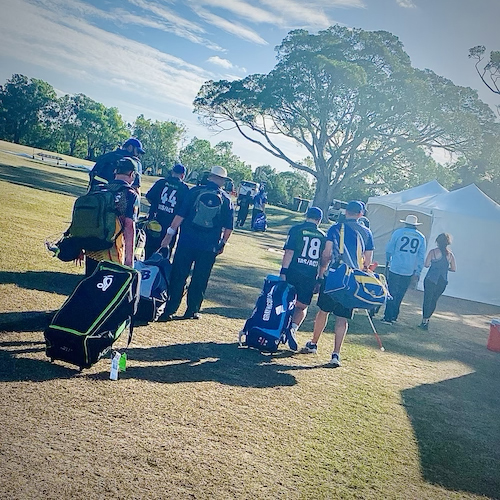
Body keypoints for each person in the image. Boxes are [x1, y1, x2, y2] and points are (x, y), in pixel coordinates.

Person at [302, 200, 374, 367]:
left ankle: (314, 343)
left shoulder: (335, 228)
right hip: (352, 279)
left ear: (346, 211)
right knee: (342, 318)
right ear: (360, 214)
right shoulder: (366, 233)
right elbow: (368, 261)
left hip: (333, 275)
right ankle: (336, 354)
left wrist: (322, 272)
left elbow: (326, 254)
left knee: (323, 311)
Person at [160, 165, 234, 320]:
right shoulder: (227, 199)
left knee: (179, 275)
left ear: (209, 177)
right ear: (222, 181)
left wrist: (169, 234)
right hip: (209, 245)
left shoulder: (194, 192)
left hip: (187, 241)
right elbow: (228, 227)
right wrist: (223, 243)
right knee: (201, 277)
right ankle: (192, 310)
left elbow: (180, 215)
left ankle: (170, 308)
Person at [280, 207, 326, 350]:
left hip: (293, 271)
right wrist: (319, 278)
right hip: (309, 275)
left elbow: (289, 251)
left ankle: (280, 329)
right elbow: (322, 260)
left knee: (286, 302)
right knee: (301, 306)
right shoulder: (322, 236)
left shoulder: (296, 230)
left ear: (306, 215)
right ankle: (293, 328)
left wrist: (283, 271)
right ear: (319, 220)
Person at [85, 157, 140, 277]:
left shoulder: (98, 189)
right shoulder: (130, 195)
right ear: (132, 174)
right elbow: (129, 226)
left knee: (90, 284)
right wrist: (129, 259)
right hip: (113, 250)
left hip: (91, 247)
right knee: (109, 289)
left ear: (115, 171)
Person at [381, 214, 426, 325]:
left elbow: (389, 249)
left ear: (405, 223)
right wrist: (418, 271)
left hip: (396, 266)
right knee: (401, 293)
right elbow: (421, 256)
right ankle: (394, 315)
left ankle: (388, 316)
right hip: (409, 269)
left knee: (392, 291)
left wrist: (388, 260)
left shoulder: (398, 233)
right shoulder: (421, 237)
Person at [144, 163, 189, 258]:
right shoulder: (184, 188)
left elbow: (149, 197)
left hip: (154, 222)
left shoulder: (161, 182)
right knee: (164, 254)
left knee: (149, 251)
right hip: (171, 225)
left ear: (172, 172)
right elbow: (184, 210)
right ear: (182, 175)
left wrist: (157, 206)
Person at [419, 233, 456, 330]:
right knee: (434, 300)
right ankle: (428, 319)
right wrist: (444, 268)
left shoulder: (433, 252)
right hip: (442, 281)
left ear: (437, 241)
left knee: (427, 299)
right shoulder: (450, 255)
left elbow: (426, 264)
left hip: (431, 278)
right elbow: (453, 268)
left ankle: (424, 320)